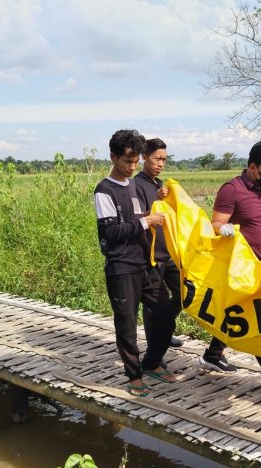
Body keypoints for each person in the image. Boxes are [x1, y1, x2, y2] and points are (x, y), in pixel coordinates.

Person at [199, 140, 261, 399]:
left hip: (259, 265)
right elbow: (215, 223)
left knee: (236, 314)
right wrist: (221, 229)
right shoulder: (232, 190)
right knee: (256, 321)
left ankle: (213, 354)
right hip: (238, 270)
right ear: (252, 167)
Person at [94, 129, 175, 397]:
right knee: (127, 324)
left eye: (135, 162)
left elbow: (144, 214)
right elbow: (110, 232)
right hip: (122, 268)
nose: (131, 167)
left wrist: (156, 206)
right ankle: (134, 375)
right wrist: (145, 221)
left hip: (146, 264)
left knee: (164, 316)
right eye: (127, 161)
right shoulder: (104, 190)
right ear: (113, 157)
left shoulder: (137, 186)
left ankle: (151, 362)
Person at [133, 138, 183, 348]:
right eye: (157, 159)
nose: (161, 164)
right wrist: (157, 201)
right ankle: (156, 339)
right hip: (150, 253)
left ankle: (164, 328)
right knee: (153, 303)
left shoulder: (159, 184)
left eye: (164, 159)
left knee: (184, 291)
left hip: (167, 251)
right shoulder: (137, 185)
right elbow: (136, 218)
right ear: (145, 157)